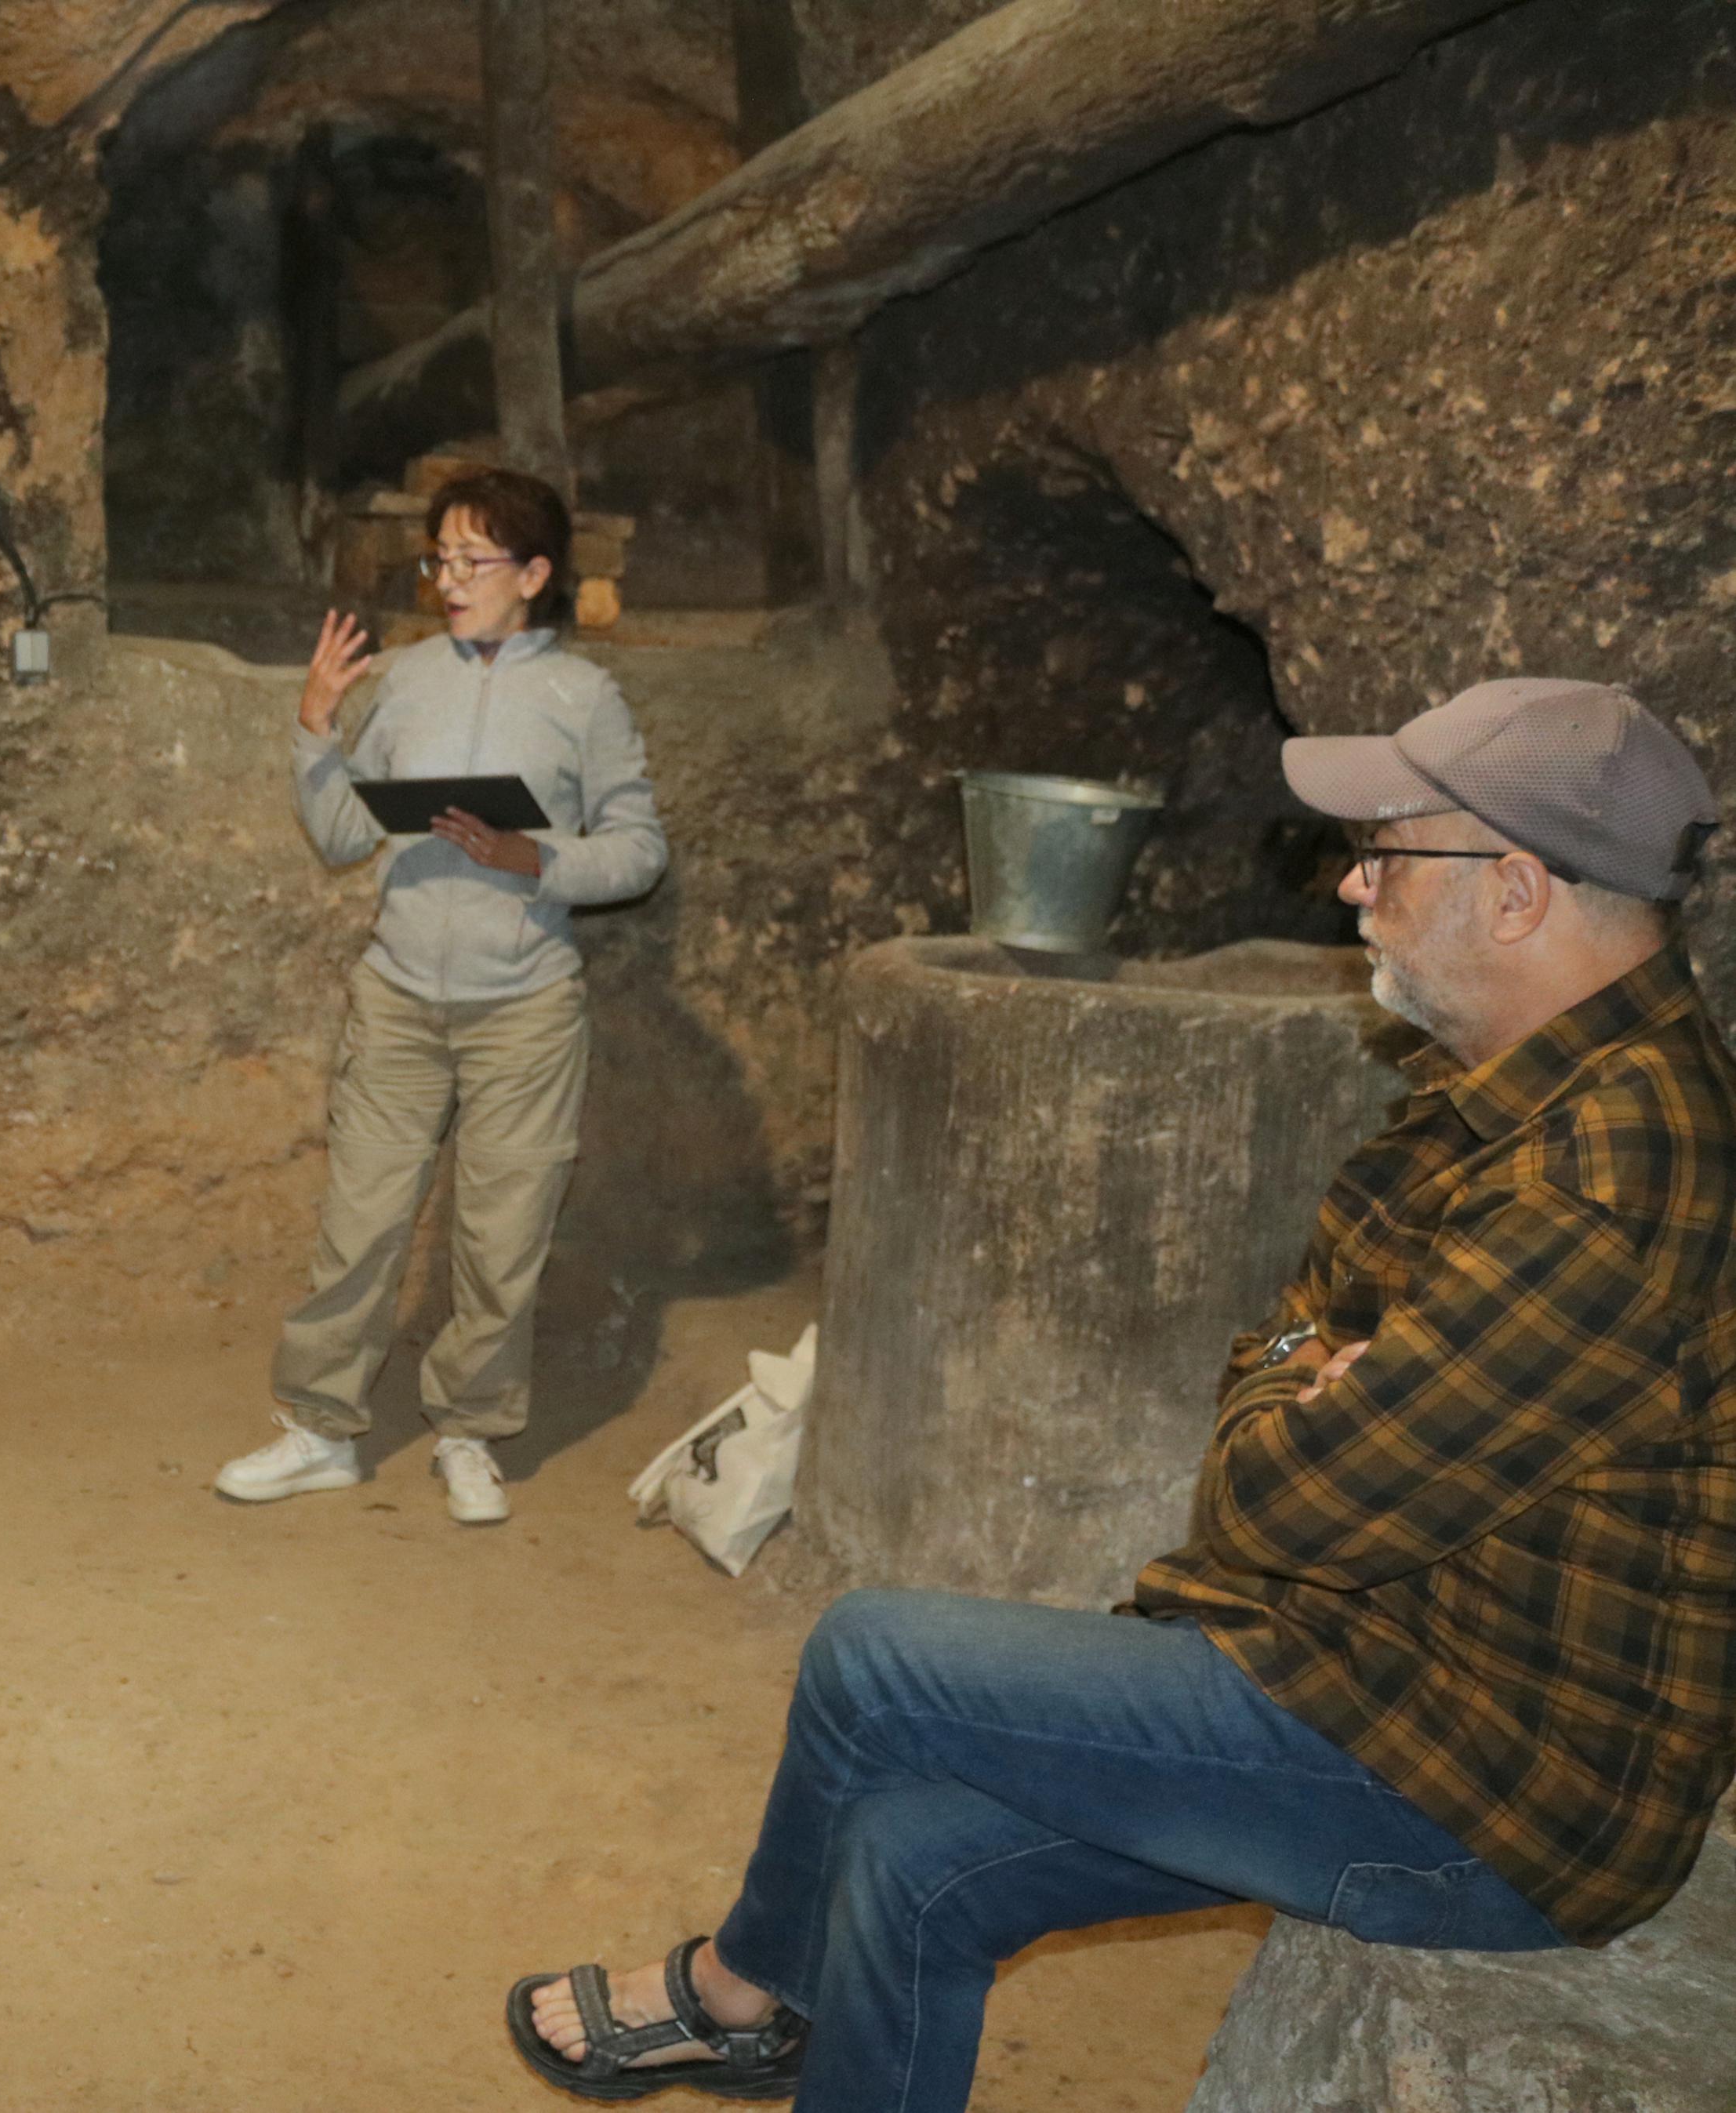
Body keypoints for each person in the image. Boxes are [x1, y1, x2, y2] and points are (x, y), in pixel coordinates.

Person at [509, 677, 1736, 2109]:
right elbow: (1289, 1342)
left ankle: (735, 1997)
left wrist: (1301, 1391)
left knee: (870, 1659)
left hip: (1479, 1794)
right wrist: (1306, 1373)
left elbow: (1277, 1505)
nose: (1352, 883)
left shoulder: (1607, 1166)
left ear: (1517, 892)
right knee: (907, 1858)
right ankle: (764, 2007)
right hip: (1382, 1676)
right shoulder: (1528, 1091)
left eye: (1388, 855)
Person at [215, 467, 667, 1524]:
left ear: (537, 575)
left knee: (500, 1233)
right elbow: (338, 836)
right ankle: (320, 1429)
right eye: (440, 559)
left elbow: (638, 849)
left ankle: (467, 1430)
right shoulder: (407, 681)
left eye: (474, 560)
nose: (450, 579)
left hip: (525, 1009)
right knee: (359, 1223)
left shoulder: (583, 699)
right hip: (399, 998)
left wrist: (533, 857)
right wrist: (316, 730)